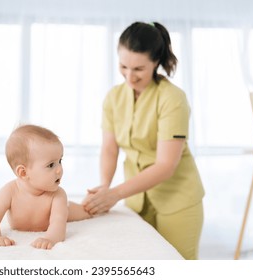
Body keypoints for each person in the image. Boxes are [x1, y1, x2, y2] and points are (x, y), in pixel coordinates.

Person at [82, 22, 205, 260]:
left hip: (177, 200)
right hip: (136, 200)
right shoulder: (113, 98)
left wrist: (115, 194)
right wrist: (105, 185)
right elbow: (110, 148)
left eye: (138, 68)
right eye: (123, 66)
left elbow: (165, 165)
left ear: (155, 63)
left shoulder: (173, 99)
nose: (130, 76)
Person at [0, 124, 91, 250]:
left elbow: (58, 223)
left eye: (60, 161)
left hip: (65, 209)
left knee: (86, 211)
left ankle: (90, 202)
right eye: (51, 165)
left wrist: (50, 238)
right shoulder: (9, 191)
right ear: (23, 173)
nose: (60, 169)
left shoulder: (57, 195)